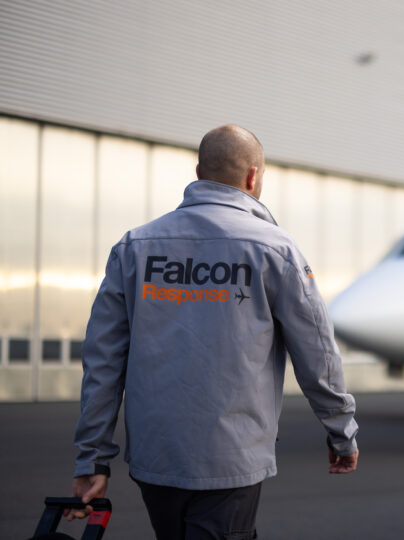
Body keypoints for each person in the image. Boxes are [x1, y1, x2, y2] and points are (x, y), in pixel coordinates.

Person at [67, 125, 359, 539]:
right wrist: (341, 432)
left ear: (199, 172)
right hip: (232, 457)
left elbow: (102, 360)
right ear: (253, 176)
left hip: (156, 457)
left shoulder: (135, 246)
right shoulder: (275, 250)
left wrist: (92, 459)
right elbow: (317, 353)